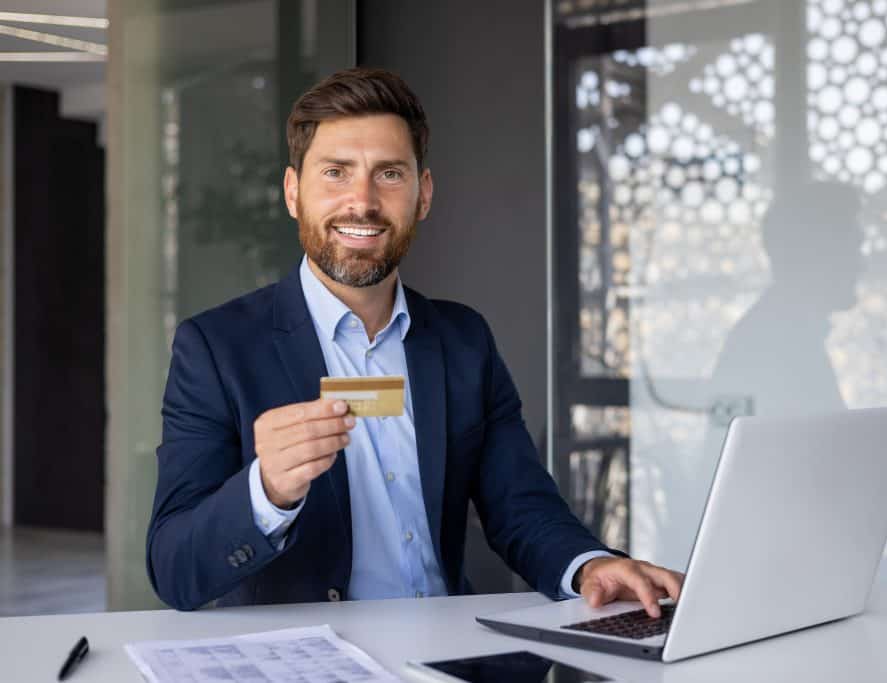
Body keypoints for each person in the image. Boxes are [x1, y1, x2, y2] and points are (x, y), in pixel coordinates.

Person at [146, 68, 683, 615]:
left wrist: (590, 565)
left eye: (390, 174)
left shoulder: (463, 339)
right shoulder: (216, 349)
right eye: (335, 172)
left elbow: (521, 506)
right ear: (293, 192)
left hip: (448, 658)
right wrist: (267, 491)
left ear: (422, 194)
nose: (363, 200)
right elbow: (174, 571)